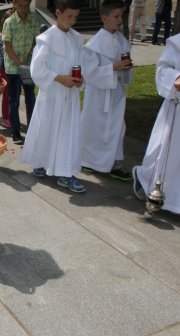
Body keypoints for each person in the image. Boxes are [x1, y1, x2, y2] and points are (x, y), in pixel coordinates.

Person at [19, 0, 86, 193]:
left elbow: (81, 64)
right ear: (58, 13)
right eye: (68, 16)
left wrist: (80, 79)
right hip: (53, 94)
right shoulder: (47, 39)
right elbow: (37, 69)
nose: (72, 21)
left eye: (75, 17)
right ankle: (42, 162)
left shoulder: (76, 39)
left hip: (69, 96)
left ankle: (66, 172)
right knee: (48, 128)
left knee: (67, 132)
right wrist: (59, 78)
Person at [81, 0, 134, 181]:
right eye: (116, 16)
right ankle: (89, 161)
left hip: (116, 94)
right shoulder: (93, 45)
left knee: (117, 128)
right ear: (104, 17)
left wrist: (125, 69)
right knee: (94, 128)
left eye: (121, 16)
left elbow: (125, 71)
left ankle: (116, 163)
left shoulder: (122, 41)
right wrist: (113, 68)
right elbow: (90, 74)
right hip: (98, 95)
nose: (120, 19)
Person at [132, 33, 180, 214]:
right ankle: (146, 179)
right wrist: (176, 78)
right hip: (177, 107)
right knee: (168, 153)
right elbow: (162, 69)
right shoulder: (177, 43)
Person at [3, 0, 39, 145]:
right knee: (14, 99)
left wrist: (33, 49)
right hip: (13, 67)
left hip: (29, 65)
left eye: (26, 6)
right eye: (20, 6)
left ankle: (32, 128)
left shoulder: (33, 20)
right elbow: (7, 47)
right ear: (15, 4)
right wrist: (20, 64)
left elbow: (37, 40)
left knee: (30, 98)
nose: (23, 9)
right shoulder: (10, 22)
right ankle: (15, 130)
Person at [0, 9, 13, 128]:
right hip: (4, 68)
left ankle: (11, 115)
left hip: (14, 68)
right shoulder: (0, 36)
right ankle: (5, 117)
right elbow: (5, 51)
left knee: (13, 94)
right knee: (6, 94)